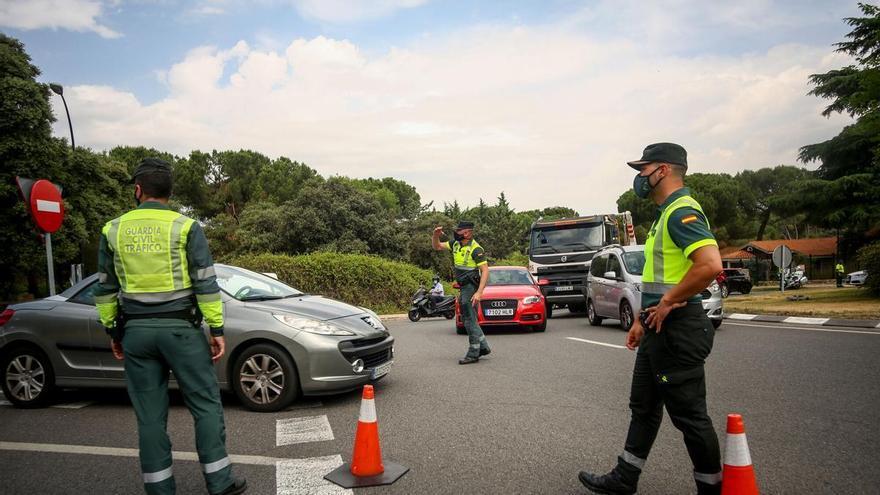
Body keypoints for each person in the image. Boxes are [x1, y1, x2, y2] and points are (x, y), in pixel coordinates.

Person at [94, 158, 247, 495]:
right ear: (169, 190)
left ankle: (160, 489)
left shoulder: (113, 229)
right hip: (182, 330)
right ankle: (220, 482)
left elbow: (104, 289)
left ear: (138, 189)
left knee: (149, 416)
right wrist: (216, 329)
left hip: (135, 332)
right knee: (205, 405)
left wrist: (113, 332)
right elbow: (206, 284)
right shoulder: (186, 227)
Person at [579, 143, 724, 495]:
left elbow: (710, 265)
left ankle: (712, 488)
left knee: (690, 417)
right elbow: (661, 277)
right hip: (657, 326)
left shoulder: (682, 212)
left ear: (662, 170)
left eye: (643, 170)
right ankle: (625, 478)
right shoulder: (664, 214)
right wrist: (641, 320)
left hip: (678, 328)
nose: (639, 178)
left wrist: (670, 301)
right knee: (643, 406)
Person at [432, 221, 491, 364]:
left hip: (471, 286)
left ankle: (473, 353)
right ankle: (483, 346)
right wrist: (435, 235)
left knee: (469, 319)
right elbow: (437, 246)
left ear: (468, 233)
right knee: (467, 318)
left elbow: (485, 271)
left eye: (459, 231)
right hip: (464, 286)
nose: (456, 233)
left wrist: (479, 292)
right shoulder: (455, 244)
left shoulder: (476, 249)